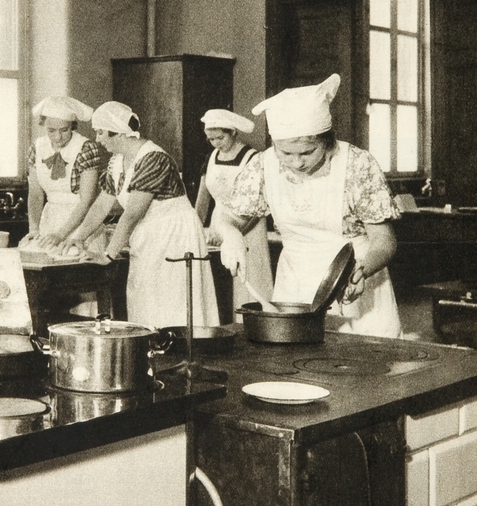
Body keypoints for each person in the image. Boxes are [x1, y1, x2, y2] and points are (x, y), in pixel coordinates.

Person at [220, 74, 402, 338]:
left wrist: (361, 271)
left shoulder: (357, 165)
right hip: (294, 284)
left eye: (307, 152)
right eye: (285, 153)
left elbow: (384, 240)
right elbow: (229, 218)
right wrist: (231, 233)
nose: (297, 162)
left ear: (326, 141)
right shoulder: (263, 166)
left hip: (355, 277)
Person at [66, 101, 219, 328]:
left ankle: (178, 346)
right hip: (149, 235)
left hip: (175, 235)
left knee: (173, 303)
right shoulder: (117, 161)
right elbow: (101, 205)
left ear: (118, 132)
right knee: (146, 300)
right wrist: (78, 237)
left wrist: (108, 255)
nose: (97, 139)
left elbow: (132, 214)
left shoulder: (153, 159)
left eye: (100, 132)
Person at [194, 107, 273, 313]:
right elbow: (203, 199)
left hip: (249, 227)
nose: (216, 143)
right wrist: (197, 229)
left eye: (220, 138)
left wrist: (235, 233)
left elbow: (258, 206)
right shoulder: (211, 157)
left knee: (250, 280)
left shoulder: (252, 158)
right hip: (218, 224)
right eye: (211, 139)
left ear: (233, 132)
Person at [25, 96, 102, 252]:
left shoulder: (86, 148)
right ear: (43, 125)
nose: (58, 137)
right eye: (51, 130)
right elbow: (35, 195)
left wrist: (61, 234)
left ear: (72, 125)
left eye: (64, 130)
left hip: (81, 224)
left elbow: (86, 200)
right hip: (49, 221)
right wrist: (34, 229)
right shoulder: (37, 148)